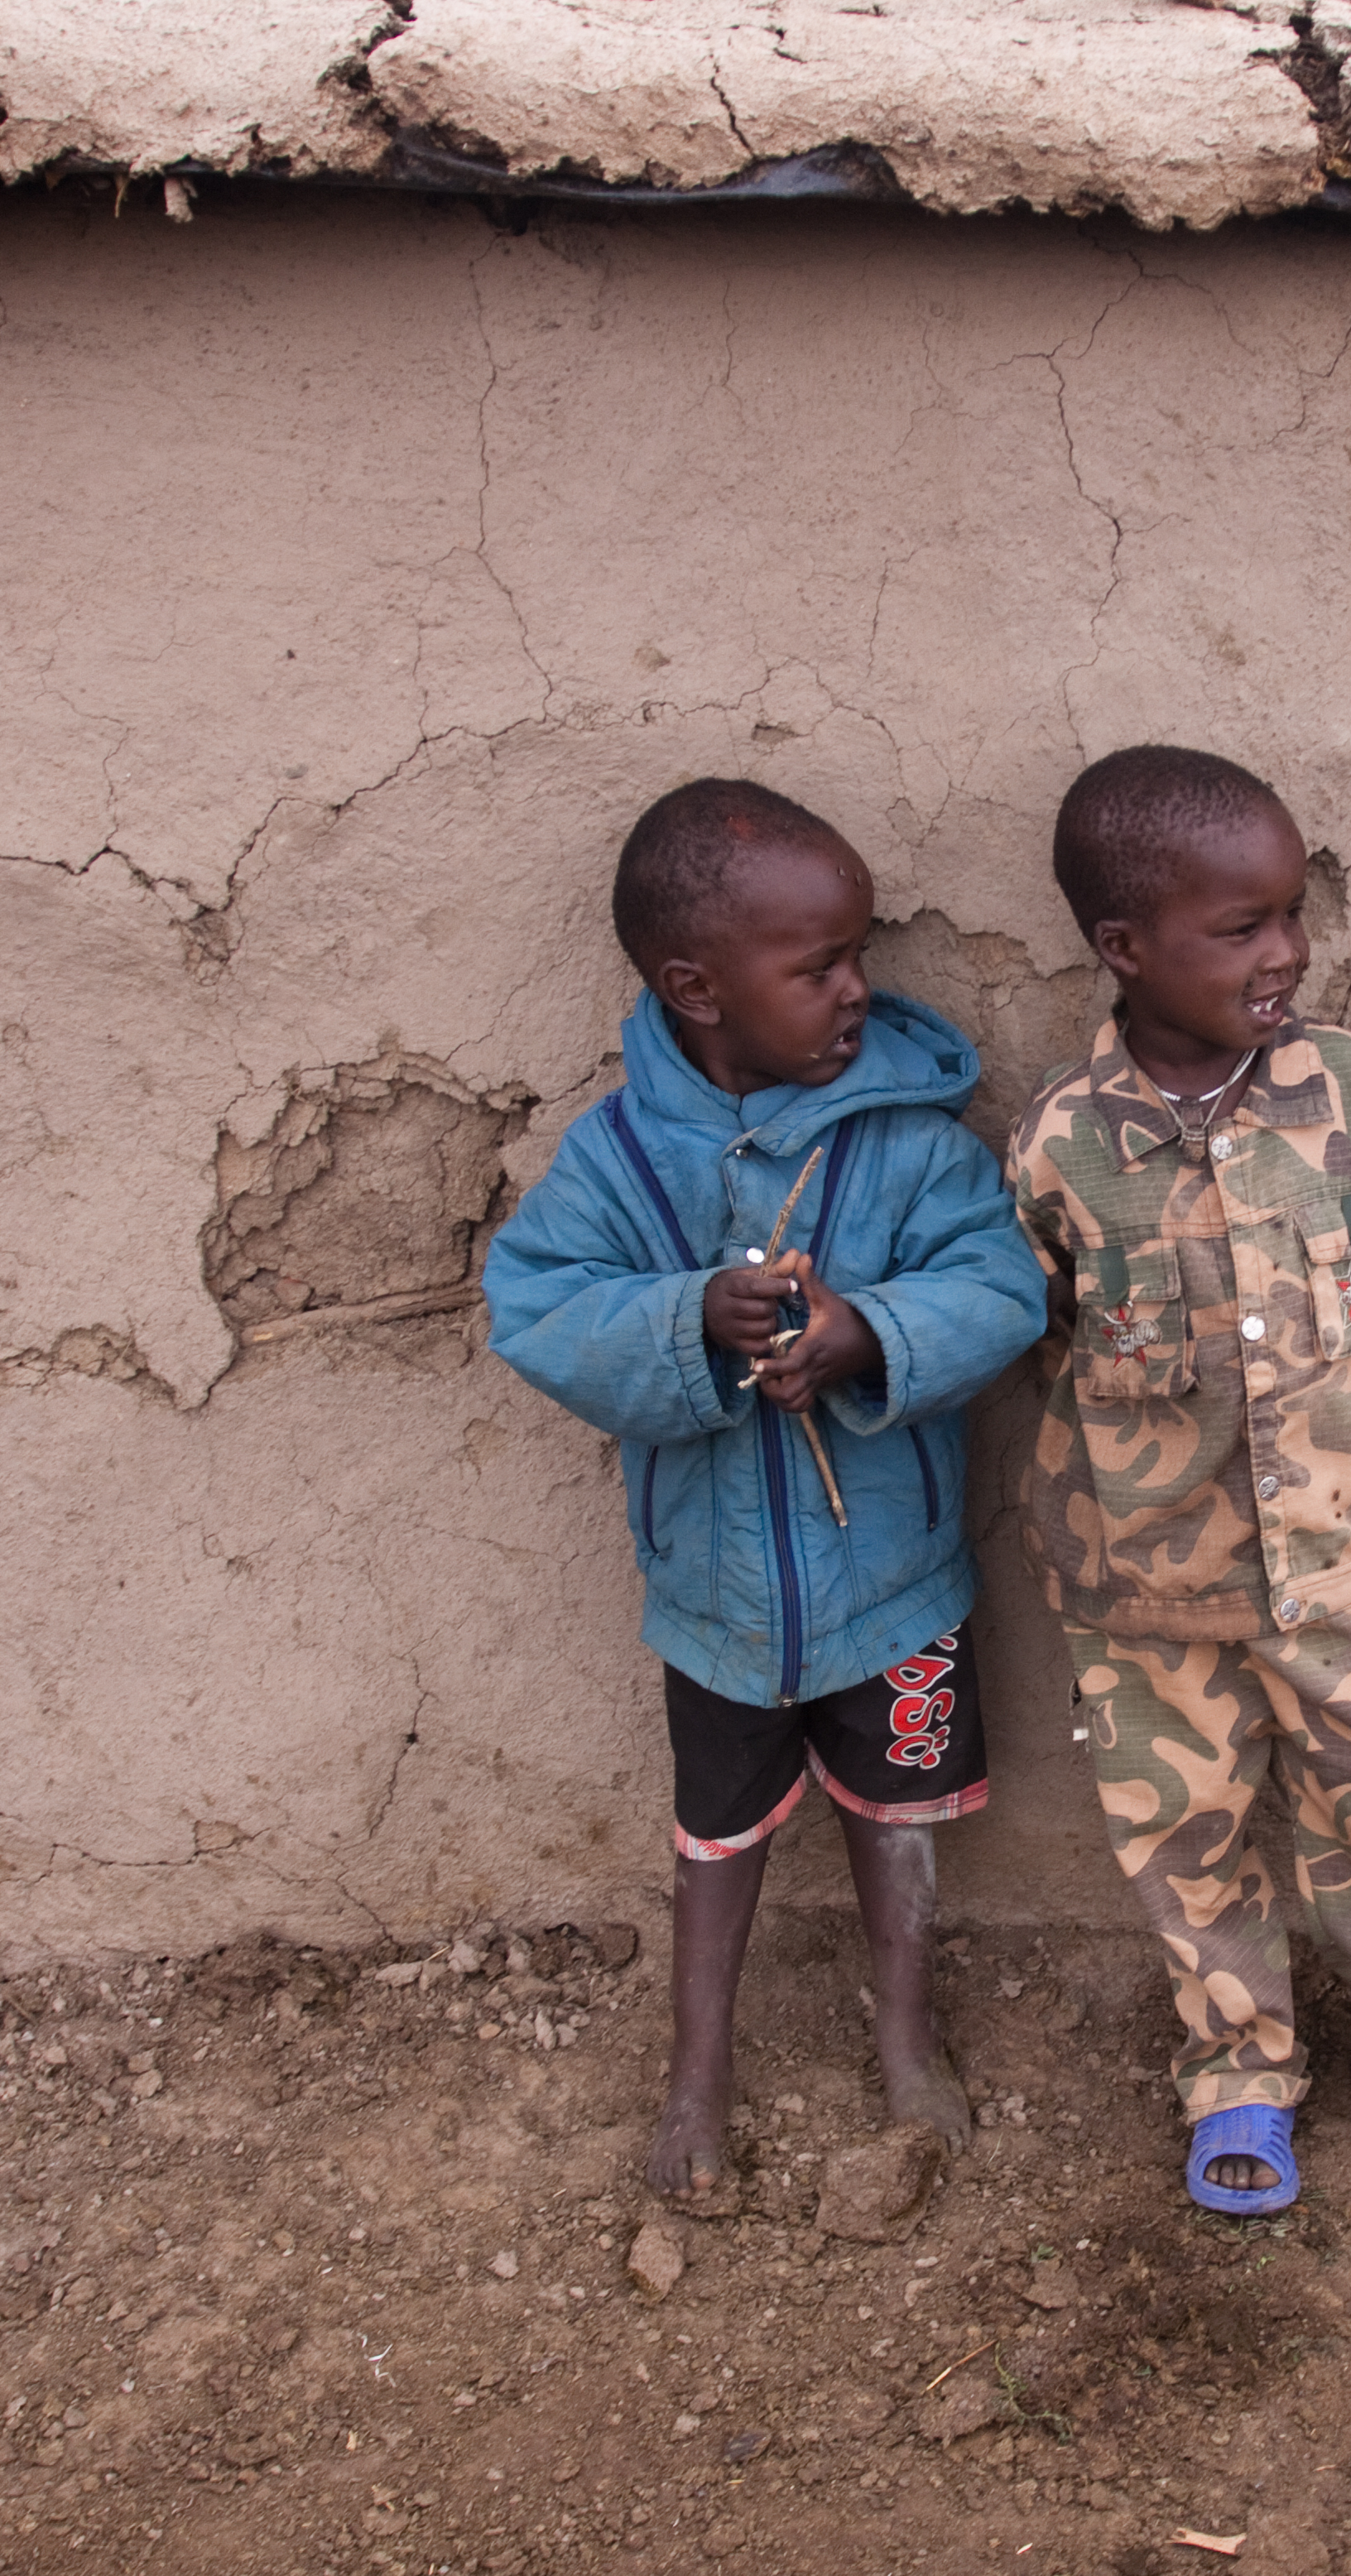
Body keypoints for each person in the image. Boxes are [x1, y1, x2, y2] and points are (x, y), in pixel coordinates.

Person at [1008, 743, 1351, 2216]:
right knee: (1185, 1839)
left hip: (1329, 1570)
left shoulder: (1347, 1089)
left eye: (1290, 917)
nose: (1285, 953)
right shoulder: (1065, 1144)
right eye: (1239, 928)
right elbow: (1047, 1325)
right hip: (1142, 1585)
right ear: (1125, 950)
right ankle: (1238, 2074)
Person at [484, 779, 1047, 2208]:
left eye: (859, 954)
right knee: (717, 1835)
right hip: (716, 1605)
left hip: (898, 1585)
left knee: (898, 1820)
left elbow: (1000, 1283)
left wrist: (870, 1336)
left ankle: (907, 2041)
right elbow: (538, 1306)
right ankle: (699, 2072)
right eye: (818, 968)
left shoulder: (909, 1139)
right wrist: (689, 1325)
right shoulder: (616, 1159)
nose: (859, 990)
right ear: (697, 989)